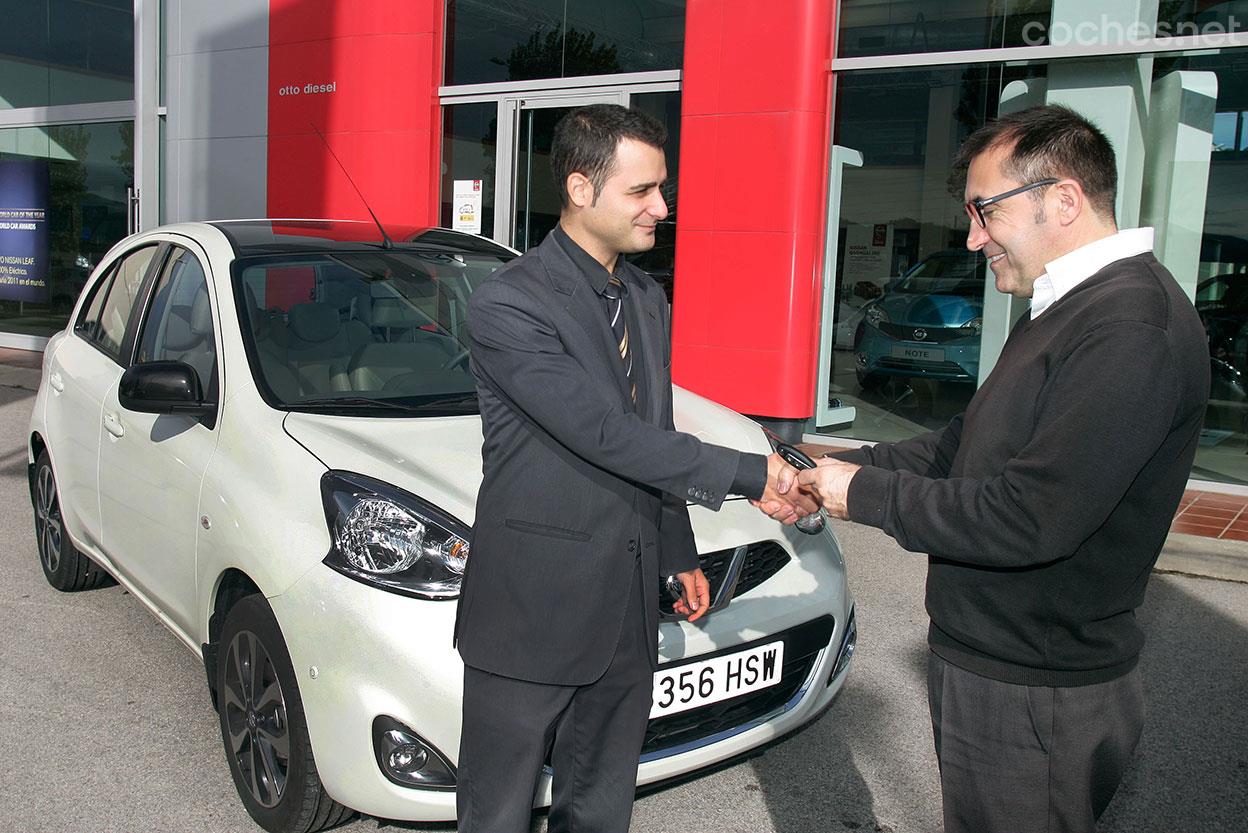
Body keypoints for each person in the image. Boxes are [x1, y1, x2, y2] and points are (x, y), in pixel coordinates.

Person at [781, 104, 1209, 832]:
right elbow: (961, 447)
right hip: (999, 670)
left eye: (985, 212)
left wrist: (865, 493)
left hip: (1034, 690)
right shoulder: (1067, 310)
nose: (974, 238)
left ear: (1064, 199)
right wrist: (832, 467)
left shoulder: (1129, 325)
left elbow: (1030, 517)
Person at [454, 104, 811, 833]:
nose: (662, 207)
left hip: (625, 607)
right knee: (496, 813)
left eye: (662, 189)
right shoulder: (508, 304)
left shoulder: (645, 299)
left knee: (602, 804)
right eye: (643, 191)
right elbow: (603, 434)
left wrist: (676, 553)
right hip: (532, 609)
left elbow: (655, 431)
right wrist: (755, 472)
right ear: (581, 189)